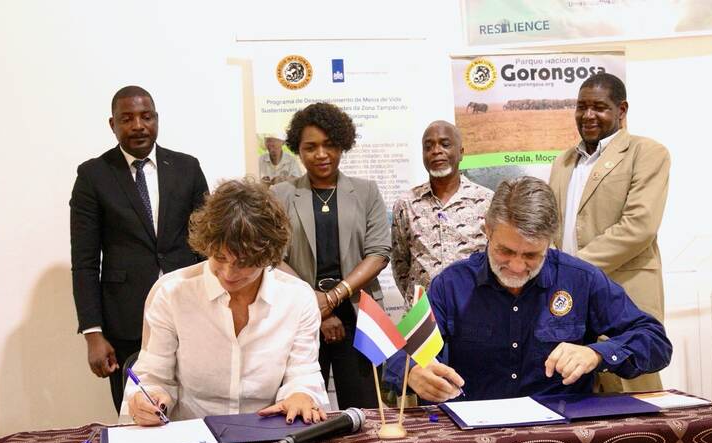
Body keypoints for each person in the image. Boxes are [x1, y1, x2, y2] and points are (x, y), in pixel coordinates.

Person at [384, 177, 671, 403]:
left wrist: (597, 354)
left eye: (532, 255)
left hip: (563, 435)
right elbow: (398, 352)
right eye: (505, 251)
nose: (518, 267)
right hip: (478, 437)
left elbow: (655, 341)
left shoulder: (579, 279)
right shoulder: (451, 285)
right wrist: (413, 373)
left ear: (550, 240)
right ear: (487, 230)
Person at [123, 178, 328, 426]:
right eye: (219, 257)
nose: (229, 274)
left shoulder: (296, 297)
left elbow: (303, 374)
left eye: (244, 262)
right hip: (192, 439)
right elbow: (153, 376)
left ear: (268, 255)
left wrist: (301, 395)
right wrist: (148, 397)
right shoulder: (172, 293)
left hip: (266, 439)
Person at [70, 85, 209, 412]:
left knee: (193, 410)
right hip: (126, 320)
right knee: (137, 413)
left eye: (146, 117)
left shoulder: (187, 168)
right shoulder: (93, 175)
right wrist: (93, 333)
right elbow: (85, 262)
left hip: (191, 309)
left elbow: (207, 244)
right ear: (112, 124)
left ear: (156, 119)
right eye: (127, 118)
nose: (138, 125)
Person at [549, 73, 670, 393]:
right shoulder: (563, 161)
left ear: (621, 110)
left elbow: (639, 226)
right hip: (570, 299)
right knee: (577, 385)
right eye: (581, 106)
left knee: (630, 388)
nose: (588, 115)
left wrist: (575, 271)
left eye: (599, 107)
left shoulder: (647, 153)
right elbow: (552, 226)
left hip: (625, 292)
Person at [272, 102, 391, 409]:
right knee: (302, 409)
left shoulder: (366, 191)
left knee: (366, 409)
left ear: (343, 145)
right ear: (298, 150)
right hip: (300, 318)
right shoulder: (281, 195)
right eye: (310, 147)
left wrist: (333, 297)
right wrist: (319, 307)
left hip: (359, 315)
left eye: (330, 145)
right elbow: (273, 257)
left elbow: (378, 253)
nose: (321, 154)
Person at [391, 120, 493, 303]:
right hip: (422, 314)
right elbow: (401, 264)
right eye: (428, 146)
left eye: (445, 144)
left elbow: (496, 257)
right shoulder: (406, 204)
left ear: (461, 152)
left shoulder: (487, 201)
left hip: (473, 309)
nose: (436, 151)